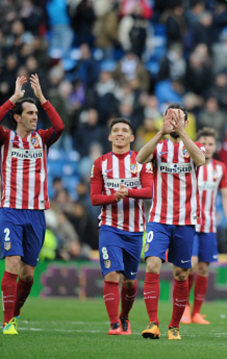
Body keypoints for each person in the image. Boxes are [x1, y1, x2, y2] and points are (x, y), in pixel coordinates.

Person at [0, 75, 64, 335]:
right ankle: (8, 322)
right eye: (30, 113)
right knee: (12, 263)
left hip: (36, 214)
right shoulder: (6, 138)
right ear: (17, 117)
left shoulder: (42, 138)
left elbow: (60, 126)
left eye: (36, 113)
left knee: (28, 274)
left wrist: (43, 99)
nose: (35, 116)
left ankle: (16, 312)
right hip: (11, 210)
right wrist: (14, 98)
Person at [136, 104, 205, 340]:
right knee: (153, 265)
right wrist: (160, 132)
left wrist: (182, 133)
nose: (174, 122)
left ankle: (174, 325)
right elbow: (140, 158)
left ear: (186, 123)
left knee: (181, 274)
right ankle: (153, 323)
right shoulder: (159, 146)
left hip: (186, 221)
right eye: (169, 117)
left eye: (179, 119)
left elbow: (201, 160)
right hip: (159, 219)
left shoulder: (193, 147)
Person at [90, 117, 152, 335]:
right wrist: (113, 197)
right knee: (111, 275)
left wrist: (129, 192)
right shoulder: (100, 163)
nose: (119, 133)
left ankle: (125, 317)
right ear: (110, 136)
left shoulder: (141, 160)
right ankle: (114, 323)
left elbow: (150, 191)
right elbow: (95, 198)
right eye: (115, 130)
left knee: (130, 281)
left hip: (135, 230)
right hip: (109, 226)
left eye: (124, 130)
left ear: (131, 137)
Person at [181, 127, 227, 325]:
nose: (207, 147)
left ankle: (196, 312)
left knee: (203, 268)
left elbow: (226, 196)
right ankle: (184, 307)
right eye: (203, 143)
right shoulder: (188, 163)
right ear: (196, 144)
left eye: (211, 144)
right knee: (191, 265)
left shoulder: (220, 168)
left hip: (210, 225)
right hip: (189, 223)